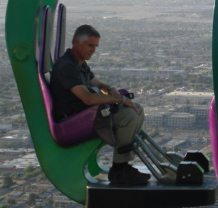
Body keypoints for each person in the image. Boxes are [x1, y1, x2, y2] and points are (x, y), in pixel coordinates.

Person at [49, 24, 149, 186]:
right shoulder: (66, 66)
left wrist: (110, 89)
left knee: (138, 109)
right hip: (74, 119)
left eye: (95, 46)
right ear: (76, 42)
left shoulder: (79, 63)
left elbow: (98, 84)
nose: (93, 50)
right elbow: (88, 98)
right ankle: (119, 169)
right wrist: (120, 100)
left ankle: (124, 163)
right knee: (129, 115)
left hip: (86, 114)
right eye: (90, 45)